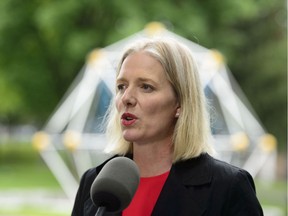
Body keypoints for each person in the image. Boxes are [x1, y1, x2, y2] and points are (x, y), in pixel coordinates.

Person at [71, 38, 263, 216]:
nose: (126, 98)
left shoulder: (228, 187)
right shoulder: (93, 181)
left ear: (179, 103)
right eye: (121, 86)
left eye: (146, 86)